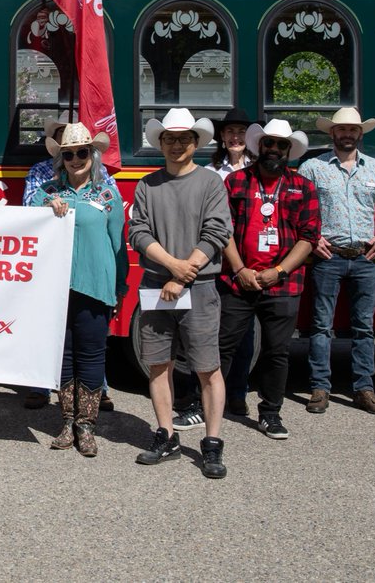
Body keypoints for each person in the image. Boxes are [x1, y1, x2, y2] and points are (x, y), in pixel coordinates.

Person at [128, 108, 232, 479]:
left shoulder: (210, 183)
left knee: (207, 368)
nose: (176, 145)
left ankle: (212, 443)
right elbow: (138, 232)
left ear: (195, 143)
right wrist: (173, 266)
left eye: (184, 139)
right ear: (161, 143)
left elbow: (217, 232)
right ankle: (166, 436)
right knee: (158, 365)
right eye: (170, 139)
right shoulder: (147, 185)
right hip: (157, 284)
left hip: (199, 286)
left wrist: (184, 274)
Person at [299, 107, 375, 417]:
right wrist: (312, 238)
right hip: (328, 257)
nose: (347, 134)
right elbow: (297, 209)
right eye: (341, 129)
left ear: (360, 134)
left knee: (364, 327)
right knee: (321, 326)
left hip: (364, 258)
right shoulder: (312, 168)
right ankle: (320, 387)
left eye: (352, 130)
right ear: (332, 133)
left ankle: (364, 389)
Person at [218, 119, 320, 441]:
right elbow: (223, 230)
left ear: (289, 150)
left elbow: (308, 238)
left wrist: (279, 271)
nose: (274, 149)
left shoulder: (304, 186)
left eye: (281, 145)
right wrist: (239, 270)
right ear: (259, 146)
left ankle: (270, 414)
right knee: (221, 346)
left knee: (277, 352)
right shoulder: (235, 181)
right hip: (238, 281)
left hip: (283, 284)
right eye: (269, 143)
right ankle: (206, 407)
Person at [33, 124, 127, 457]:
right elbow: (28, 230)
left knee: (91, 355)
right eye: (68, 154)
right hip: (56, 290)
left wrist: (120, 287)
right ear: (61, 159)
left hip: (95, 287)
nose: (75, 159)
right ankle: (67, 422)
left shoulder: (108, 195)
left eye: (82, 152)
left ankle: (86, 426)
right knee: (63, 356)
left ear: (93, 155)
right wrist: (47, 208)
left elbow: (118, 247)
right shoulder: (45, 193)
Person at [175, 107, 260, 428]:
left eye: (241, 132)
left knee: (245, 332)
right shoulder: (209, 171)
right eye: (230, 132)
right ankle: (199, 395)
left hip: (247, 259)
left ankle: (237, 392)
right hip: (213, 259)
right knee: (210, 332)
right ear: (222, 137)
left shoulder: (258, 170)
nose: (235, 137)